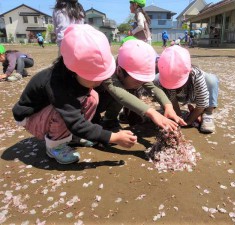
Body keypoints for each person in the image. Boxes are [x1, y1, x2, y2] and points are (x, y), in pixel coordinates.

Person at [12, 24, 137, 164]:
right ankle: (54, 146)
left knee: (92, 97)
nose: (99, 80)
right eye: (94, 76)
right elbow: (75, 120)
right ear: (74, 69)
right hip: (31, 117)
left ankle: (73, 137)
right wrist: (112, 137)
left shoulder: (73, 75)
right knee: (62, 111)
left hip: (51, 110)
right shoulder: (56, 83)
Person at [95, 39, 186, 131]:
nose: (141, 83)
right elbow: (119, 93)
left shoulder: (133, 70)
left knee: (130, 90)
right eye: (138, 80)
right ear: (119, 71)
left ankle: (110, 119)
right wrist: (153, 113)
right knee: (120, 92)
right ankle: (94, 121)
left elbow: (153, 87)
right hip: (92, 100)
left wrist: (168, 106)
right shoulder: (108, 68)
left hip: (115, 92)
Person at [156, 45, 219, 133]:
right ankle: (176, 111)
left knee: (212, 80)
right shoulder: (165, 74)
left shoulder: (196, 75)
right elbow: (172, 99)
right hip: (181, 96)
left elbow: (202, 102)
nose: (175, 86)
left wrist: (189, 121)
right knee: (155, 80)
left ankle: (208, 113)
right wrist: (178, 116)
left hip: (195, 95)